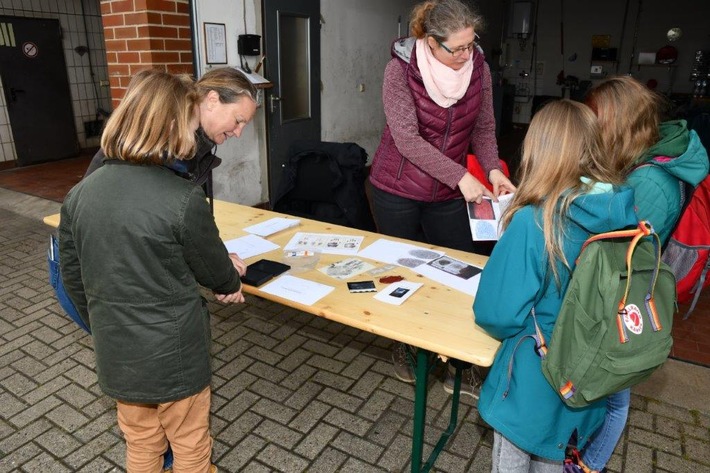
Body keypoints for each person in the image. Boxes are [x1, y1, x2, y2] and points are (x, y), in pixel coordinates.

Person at [59, 69, 246, 473]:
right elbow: (214, 268)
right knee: (190, 443)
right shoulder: (181, 198)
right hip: (176, 356)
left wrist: (108, 324)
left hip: (118, 354)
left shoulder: (79, 194)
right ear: (173, 124)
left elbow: (72, 279)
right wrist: (230, 281)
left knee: (141, 442)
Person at [473, 99, 638, 472]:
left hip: (534, 380)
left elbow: (495, 313)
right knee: (555, 458)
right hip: (588, 377)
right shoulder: (620, 211)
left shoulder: (534, 222)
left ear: (539, 151)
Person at [368, 0, 516, 396]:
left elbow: (483, 128)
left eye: (471, 44)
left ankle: (460, 360)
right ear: (431, 42)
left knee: (457, 272)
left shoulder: (478, 68)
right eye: (459, 48)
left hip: (450, 192)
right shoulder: (399, 70)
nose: (468, 54)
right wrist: (461, 176)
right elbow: (406, 139)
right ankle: (406, 345)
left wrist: (495, 170)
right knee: (402, 271)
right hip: (396, 189)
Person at [578, 76, 709, 473]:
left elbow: (618, 249)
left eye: (596, 122)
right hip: (632, 287)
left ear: (618, 125)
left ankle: (589, 463)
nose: (591, 130)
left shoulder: (650, 179)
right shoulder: (648, 157)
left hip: (628, 295)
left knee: (615, 392)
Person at [85, 67, 259, 192]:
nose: (238, 133)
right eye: (238, 121)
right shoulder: (166, 136)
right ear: (213, 100)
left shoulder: (198, 142)